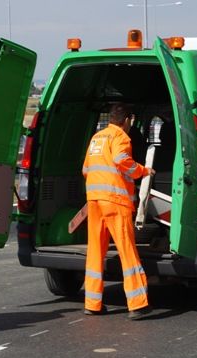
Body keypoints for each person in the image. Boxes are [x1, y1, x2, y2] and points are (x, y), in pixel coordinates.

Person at [82, 103, 155, 320]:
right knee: (127, 251)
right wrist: (142, 171)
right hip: (115, 201)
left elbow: (86, 169)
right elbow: (121, 160)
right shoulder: (121, 137)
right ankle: (138, 303)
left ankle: (92, 303)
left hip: (94, 200)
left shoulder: (97, 138)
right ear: (127, 120)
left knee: (95, 251)